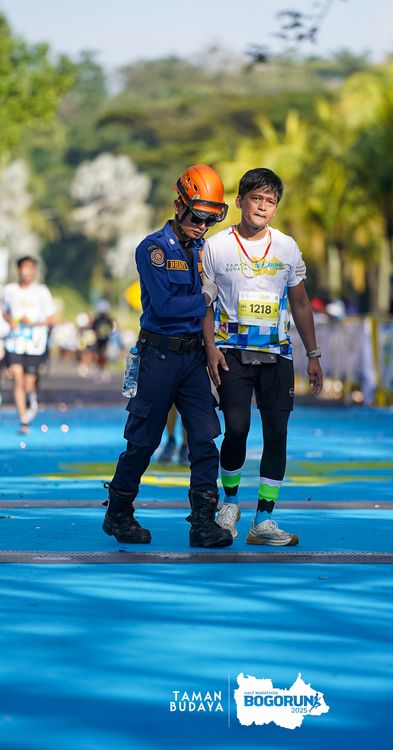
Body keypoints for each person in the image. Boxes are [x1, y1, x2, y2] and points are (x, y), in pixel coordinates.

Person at [103, 164, 232, 548]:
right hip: (158, 356)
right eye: (197, 217)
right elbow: (164, 305)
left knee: (205, 438)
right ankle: (119, 512)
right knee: (144, 440)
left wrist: (212, 347)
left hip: (193, 358)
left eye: (211, 219)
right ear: (179, 206)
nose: (203, 226)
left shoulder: (206, 251)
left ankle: (203, 522)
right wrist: (206, 295)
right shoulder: (153, 250)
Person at [202, 167, 323, 546]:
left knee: (277, 433)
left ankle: (264, 520)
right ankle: (229, 504)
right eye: (256, 199)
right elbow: (205, 304)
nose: (263, 207)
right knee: (236, 429)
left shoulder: (287, 247)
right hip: (231, 354)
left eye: (271, 201)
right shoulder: (216, 247)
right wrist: (210, 348)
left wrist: (313, 354)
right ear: (240, 201)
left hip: (277, 355)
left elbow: (300, 303)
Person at [1, 256, 55, 433]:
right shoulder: (9, 290)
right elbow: (4, 312)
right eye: (24, 268)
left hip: (35, 344)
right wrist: (11, 321)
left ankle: (31, 398)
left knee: (28, 383)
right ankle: (23, 421)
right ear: (19, 270)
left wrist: (34, 323)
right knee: (17, 378)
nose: (27, 272)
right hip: (14, 342)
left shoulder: (42, 292)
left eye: (31, 268)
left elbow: (51, 318)